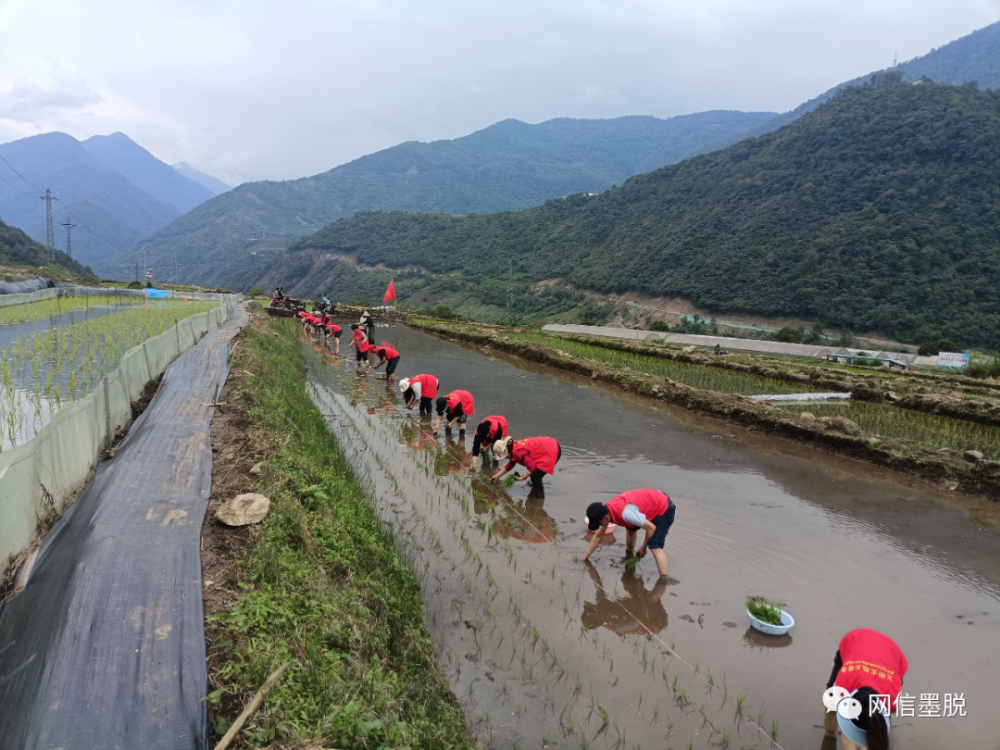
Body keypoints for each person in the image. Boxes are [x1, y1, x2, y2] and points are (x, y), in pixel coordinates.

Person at [823, 628, 907, 750]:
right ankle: (829, 736)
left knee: (872, 739)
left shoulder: (892, 701)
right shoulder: (841, 687)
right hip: (856, 641)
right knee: (830, 703)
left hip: (892, 656)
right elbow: (847, 733)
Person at [582, 489, 675, 578]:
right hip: (651, 501)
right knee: (631, 527)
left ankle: (664, 578)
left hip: (664, 507)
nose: (599, 526)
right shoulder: (606, 512)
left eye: (599, 523)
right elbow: (598, 536)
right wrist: (586, 557)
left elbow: (651, 528)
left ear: (605, 518)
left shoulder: (625, 514)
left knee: (655, 545)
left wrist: (643, 548)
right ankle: (629, 553)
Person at [491, 436, 560, 497]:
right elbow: (510, 464)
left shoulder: (518, 453)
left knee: (535, 475)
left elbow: (532, 466)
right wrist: (497, 476)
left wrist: (523, 477)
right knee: (532, 472)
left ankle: (540, 496)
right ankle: (535, 486)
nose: (505, 458)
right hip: (549, 444)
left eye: (505, 456)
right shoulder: (513, 448)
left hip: (552, 450)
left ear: (506, 452)